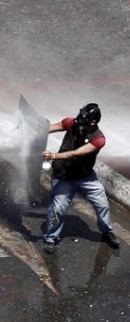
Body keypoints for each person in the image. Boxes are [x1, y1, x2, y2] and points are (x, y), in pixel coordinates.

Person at [41, 103, 119, 254]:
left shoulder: (99, 139)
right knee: (57, 209)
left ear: (93, 123)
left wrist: (54, 156)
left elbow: (75, 153)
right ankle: (50, 238)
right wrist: (36, 130)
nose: (77, 125)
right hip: (63, 176)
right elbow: (50, 128)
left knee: (102, 204)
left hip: (86, 178)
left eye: (82, 122)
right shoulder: (71, 122)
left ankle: (107, 232)